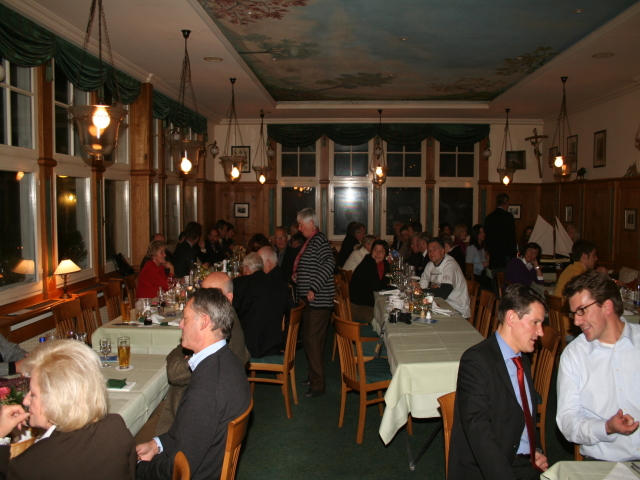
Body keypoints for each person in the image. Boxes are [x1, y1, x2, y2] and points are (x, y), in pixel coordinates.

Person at [137, 289, 252, 480]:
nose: (181, 324)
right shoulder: (228, 360)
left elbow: (178, 470)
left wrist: (137, 467)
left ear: (205, 322)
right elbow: (189, 432)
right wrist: (156, 445)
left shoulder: (207, 388)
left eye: (186, 319)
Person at [448, 284, 549, 480]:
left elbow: (525, 413)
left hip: (524, 461)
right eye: (535, 322)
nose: (541, 332)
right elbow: (479, 431)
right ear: (511, 318)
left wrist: (535, 449)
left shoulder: (522, 359)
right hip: (490, 467)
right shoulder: (476, 361)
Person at [0, 340, 136, 479]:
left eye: (33, 394)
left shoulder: (28, 465)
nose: (25, 401)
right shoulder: (115, 426)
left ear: (55, 400)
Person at [557, 270, 640, 461]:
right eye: (573, 313)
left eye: (581, 310)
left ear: (607, 306)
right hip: (604, 463)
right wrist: (606, 427)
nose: (576, 321)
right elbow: (568, 421)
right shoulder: (574, 355)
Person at [155, 272, 250, 436]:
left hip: (183, 419)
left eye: (211, 293)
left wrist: (186, 356)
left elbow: (175, 372)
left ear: (228, 298)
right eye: (202, 292)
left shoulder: (221, 342)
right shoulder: (225, 323)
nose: (202, 299)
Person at [293, 208, 335, 398]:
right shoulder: (312, 241)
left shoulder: (319, 240)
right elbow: (313, 266)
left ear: (311, 223)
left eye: (301, 224)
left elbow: (329, 264)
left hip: (319, 301)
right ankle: (313, 377)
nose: (299, 228)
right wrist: (299, 276)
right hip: (312, 302)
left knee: (314, 342)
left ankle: (318, 385)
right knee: (310, 341)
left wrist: (313, 288)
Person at [233, 253, 294, 358]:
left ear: (246, 268)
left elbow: (232, 314)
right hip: (273, 347)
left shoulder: (240, 283)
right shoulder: (282, 286)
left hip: (245, 348)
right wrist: (284, 342)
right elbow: (293, 314)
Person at [555, 239, 608, 340]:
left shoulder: (569, 269)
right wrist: (604, 278)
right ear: (584, 256)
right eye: (594, 255)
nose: (596, 259)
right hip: (571, 330)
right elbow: (601, 296)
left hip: (559, 326)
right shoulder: (580, 274)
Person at [419, 237, 470, 318]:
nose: (431, 253)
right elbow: (422, 285)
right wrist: (420, 287)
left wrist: (422, 291)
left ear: (442, 251)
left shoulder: (450, 265)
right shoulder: (430, 265)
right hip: (441, 306)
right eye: (429, 251)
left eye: (434, 249)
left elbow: (444, 292)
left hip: (457, 309)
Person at [348, 240, 391, 322]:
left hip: (368, 303)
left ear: (386, 254)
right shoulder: (368, 263)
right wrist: (387, 279)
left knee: (387, 312)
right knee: (384, 319)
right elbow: (377, 286)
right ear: (371, 251)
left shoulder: (383, 264)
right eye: (375, 250)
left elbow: (381, 281)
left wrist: (386, 280)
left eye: (381, 251)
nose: (377, 253)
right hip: (358, 306)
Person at [484, 193, 517, 271]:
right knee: (506, 277)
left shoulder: (489, 217)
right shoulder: (508, 217)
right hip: (506, 256)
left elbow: (487, 238)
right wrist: (513, 256)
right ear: (507, 202)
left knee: (495, 276)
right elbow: (511, 237)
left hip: (494, 256)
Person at [466, 224, 491, 290]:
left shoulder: (481, 247)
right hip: (473, 276)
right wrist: (482, 265)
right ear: (475, 234)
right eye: (480, 233)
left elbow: (482, 260)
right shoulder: (472, 248)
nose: (483, 234)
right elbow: (468, 265)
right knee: (489, 283)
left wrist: (487, 261)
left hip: (480, 273)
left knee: (492, 280)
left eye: (483, 232)